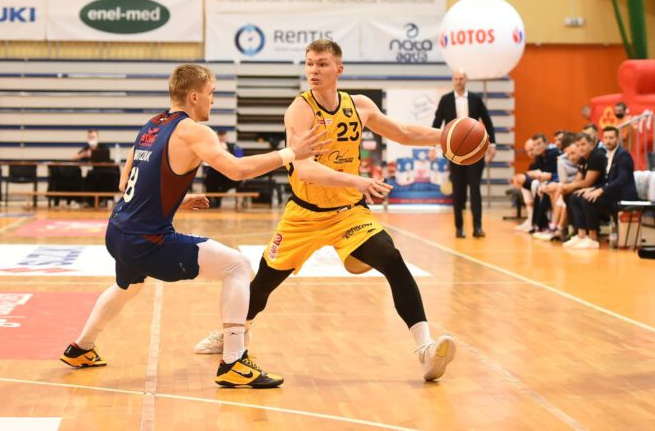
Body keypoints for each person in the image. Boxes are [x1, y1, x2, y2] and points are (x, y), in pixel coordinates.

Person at [195, 39, 458, 383]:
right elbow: (304, 169)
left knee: (391, 258)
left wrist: (446, 136)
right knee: (263, 284)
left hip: (348, 213)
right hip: (304, 215)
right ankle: (233, 334)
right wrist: (357, 181)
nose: (313, 70)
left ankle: (425, 350)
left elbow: (405, 133)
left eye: (321, 64)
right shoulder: (300, 110)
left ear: (339, 69)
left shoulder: (359, 106)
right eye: (309, 64)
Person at [60, 63, 325, 388]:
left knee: (127, 287)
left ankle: (81, 348)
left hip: (117, 232)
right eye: (211, 93)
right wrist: (291, 153)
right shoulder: (195, 132)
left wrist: (175, 200)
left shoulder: (151, 125)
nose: (213, 100)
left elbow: (125, 182)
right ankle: (234, 361)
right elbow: (237, 171)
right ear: (194, 96)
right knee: (238, 266)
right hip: (148, 240)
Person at [432, 68, 496, 238]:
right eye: (456, 78)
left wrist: (492, 144)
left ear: (466, 80)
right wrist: (432, 147)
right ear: (452, 80)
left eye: (461, 78)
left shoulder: (475, 99)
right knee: (458, 191)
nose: (459, 81)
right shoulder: (446, 100)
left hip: (475, 152)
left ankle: (477, 227)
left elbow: (487, 121)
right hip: (455, 153)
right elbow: (437, 123)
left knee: (475, 190)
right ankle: (459, 228)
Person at [565, 126, 636, 249]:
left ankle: (593, 238)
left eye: (611, 138)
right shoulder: (607, 155)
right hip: (611, 195)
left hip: (622, 198)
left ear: (617, 138)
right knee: (575, 196)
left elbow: (622, 180)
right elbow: (607, 181)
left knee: (588, 199)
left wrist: (600, 190)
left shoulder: (623, 155)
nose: (608, 141)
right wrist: (592, 189)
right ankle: (581, 235)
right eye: (606, 138)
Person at [203, 129, 244, 208]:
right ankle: (210, 201)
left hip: (228, 174)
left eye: (223, 136)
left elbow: (238, 159)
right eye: (220, 136)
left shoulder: (233, 147)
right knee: (209, 181)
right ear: (217, 137)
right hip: (215, 173)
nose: (222, 138)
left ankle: (219, 198)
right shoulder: (211, 147)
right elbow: (206, 162)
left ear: (226, 137)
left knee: (237, 181)